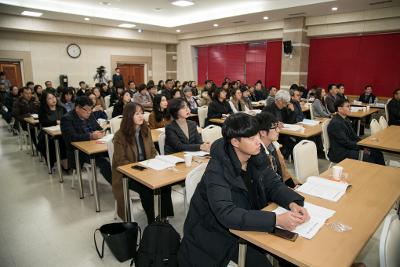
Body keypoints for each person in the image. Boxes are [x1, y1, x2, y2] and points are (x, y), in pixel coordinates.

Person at [178, 113, 308, 267]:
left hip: (246, 222)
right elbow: (227, 213)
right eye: (251, 138)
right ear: (235, 142)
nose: (258, 141)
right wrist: (277, 220)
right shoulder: (217, 169)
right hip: (216, 234)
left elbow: (273, 183)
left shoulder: (255, 156)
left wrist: (292, 202)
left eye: (257, 135)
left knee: (293, 252)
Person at [112, 102, 173, 223]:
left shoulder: (145, 130)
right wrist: (141, 168)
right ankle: (153, 222)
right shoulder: (120, 136)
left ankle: (164, 217)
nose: (141, 116)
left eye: (142, 113)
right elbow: (121, 161)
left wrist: (154, 163)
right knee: (146, 189)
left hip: (147, 169)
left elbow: (152, 151)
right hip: (127, 175)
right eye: (136, 114)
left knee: (165, 183)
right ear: (129, 116)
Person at [60, 96, 112, 183]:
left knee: (116, 155)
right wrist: (90, 136)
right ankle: (117, 187)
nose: (89, 112)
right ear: (77, 108)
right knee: (104, 163)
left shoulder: (90, 114)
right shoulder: (67, 119)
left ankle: (127, 184)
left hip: (96, 146)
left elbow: (98, 127)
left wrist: (101, 132)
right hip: (80, 151)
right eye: (86, 110)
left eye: (91, 109)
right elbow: (71, 138)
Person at [327, 98, 385, 164]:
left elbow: (354, 136)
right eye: (347, 106)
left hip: (348, 148)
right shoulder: (336, 123)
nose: (350, 108)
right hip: (340, 152)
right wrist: (361, 147)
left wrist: (364, 144)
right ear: (339, 109)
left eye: (350, 106)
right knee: (369, 157)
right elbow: (345, 142)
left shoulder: (346, 119)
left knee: (376, 152)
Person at [256, 112, 297, 188]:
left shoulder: (273, 145)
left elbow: (283, 170)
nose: (278, 130)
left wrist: (293, 186)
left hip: (279, 188)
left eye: (277, 126)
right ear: (262, 132)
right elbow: (267, 185)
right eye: (274, 128)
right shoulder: (257, 154)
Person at [37, 91, 67, 169]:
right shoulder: (43, 111)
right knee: (53, 142)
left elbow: (67, 119)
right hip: (47, 134)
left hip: (62, 131)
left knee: (67, 139)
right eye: (50, 98)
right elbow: (43, 122)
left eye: (54, 97)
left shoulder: (62, 108)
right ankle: (54, 161)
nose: (53, 100)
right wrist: (55, 122)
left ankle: (65, 160)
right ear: (45, 100)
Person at [262, 90, 296, 159]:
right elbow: (263, 124)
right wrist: (276, 124)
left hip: (283, 133)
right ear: (279, 101)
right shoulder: (268, 109)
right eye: (284, 103)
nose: (285, 105)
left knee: (293, 140)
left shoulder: (283, 109)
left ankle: (284, 156)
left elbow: (289, 122)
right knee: (289, 141)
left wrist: (292, 112)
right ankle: (281, 157)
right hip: (273, 135)